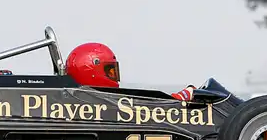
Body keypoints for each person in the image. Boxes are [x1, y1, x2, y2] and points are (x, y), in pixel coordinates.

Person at [65, 42, 196, 102]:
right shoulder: (100, 103)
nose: (114, 76)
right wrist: (179, 98)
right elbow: (147, 108)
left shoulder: (77, 100)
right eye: (110, 71)